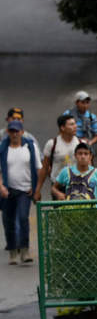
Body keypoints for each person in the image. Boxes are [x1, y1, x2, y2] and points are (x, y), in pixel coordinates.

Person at [0, 118, 39, 263]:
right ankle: (12, 251)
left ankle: (24, 250)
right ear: (8, 132)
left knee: (23, 218)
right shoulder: (3, 148)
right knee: (9, 221)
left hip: (25, 190)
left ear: (22, 132)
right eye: (12, 131)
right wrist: (1, 187)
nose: (14, 134)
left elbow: (38, 168)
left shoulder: (30, 147)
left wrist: (35, 187)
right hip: (8, 190)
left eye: (17, 131)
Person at [36, 111, 82, 195]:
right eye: (71, 124)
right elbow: (45, 168)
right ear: (62, 128)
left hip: (77, 185)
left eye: (75, 124)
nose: (75, 126)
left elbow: (89, 167)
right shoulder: (52, 144)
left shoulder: (81, 144)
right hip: (58, 187)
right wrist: (38, 190)